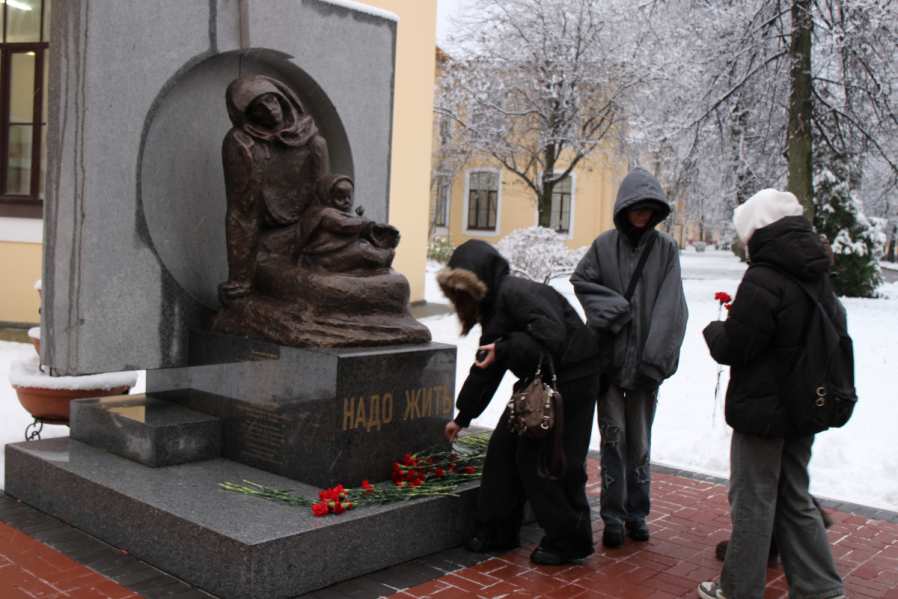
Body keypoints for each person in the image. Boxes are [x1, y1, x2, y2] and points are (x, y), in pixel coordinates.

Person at [699, 189, 845, 599]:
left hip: (762, 410)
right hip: (804, 406)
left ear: (758, 231)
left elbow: (739, 345)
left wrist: (715, 330)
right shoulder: (815, 271)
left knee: (753, 500)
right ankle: (821, 588)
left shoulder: (765, 275)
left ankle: (738, 589)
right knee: (794, 497)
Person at [439, 240, 601, 566]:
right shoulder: (493, 307)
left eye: (461, 293)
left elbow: (551, 337)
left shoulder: (515, 293)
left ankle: (569, 540)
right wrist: (463, 416)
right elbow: (487, 366)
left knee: (545, 461)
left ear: (478, 282)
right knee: (502, 449)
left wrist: (505, 347)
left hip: (570, 380)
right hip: (541, 383)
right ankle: (496, 531)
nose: (458, 303)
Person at [571, 167, 687, 548]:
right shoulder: (604, 246)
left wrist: (656, 358)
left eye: (650, 207)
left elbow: (673, 307)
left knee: (640, 442)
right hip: (608, 362)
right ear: (624, 207)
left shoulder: (666, 249)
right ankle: (613, 517)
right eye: (636, 206)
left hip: (645, 366)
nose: (643, 213)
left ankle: (637, 513)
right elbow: (582, 280)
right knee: (613, 439)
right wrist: (615, 310)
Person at [219, 75, 329, 304]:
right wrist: (241, 278)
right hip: (268, 247)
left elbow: (325, 202)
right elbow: (242, 213)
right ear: (246, 115)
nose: (270, 110)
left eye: (271, 101)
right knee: (316, 288)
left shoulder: (312, 141)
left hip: (310, 238)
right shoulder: (243, 143)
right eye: (259, 108)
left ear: (283, 99)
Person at [299, 174, 399, 272]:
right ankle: (384, 257)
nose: (347, 201)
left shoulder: (345, 212)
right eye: (341, 198)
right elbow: (344, 225)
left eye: (349, 197)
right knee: (361, 250)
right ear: (327, 197)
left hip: (341, 251)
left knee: (362, 246)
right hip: (324, 257)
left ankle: (383, 254)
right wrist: (361, 221)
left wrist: (374, 228)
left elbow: (355, 223)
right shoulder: (323, 213)